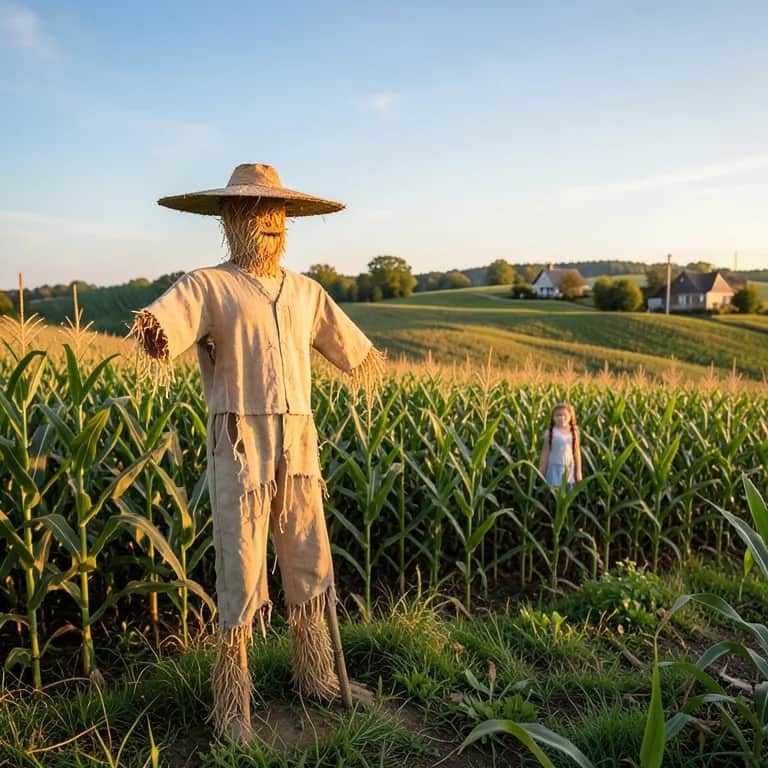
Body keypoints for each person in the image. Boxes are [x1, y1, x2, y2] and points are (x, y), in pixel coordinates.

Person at [130, 163, 384, 741]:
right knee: (240, 566)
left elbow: (354, 351)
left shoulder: (305, 291)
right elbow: (160, 326)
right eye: (254, 212)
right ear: (230, 220)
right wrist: (152, 331)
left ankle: (319, 677)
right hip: (239, 441)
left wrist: (365, 363)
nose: (268, 223)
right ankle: (233, 706)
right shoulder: (208, 286)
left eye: (276, 213)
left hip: (299, 438)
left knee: (308, 555)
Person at [538, 402, 582, 487]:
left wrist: (578, 472)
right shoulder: (550, 433)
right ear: (553, 418)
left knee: (568, 494)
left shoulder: (574, 432)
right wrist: (541, 470)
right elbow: (545, 452)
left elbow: (577, 452)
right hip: (553, 468)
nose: (562, 418)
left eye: (565, 415)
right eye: (558, 415)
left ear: (570, 416)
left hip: (569, 468)